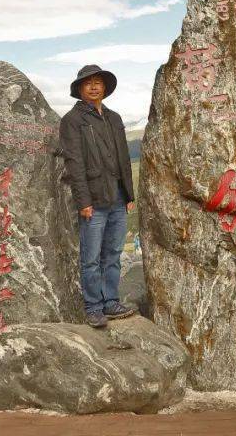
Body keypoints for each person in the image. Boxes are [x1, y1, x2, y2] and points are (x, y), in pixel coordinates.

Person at [58, 64, 137, 328]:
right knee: (90, 257)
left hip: (117, 196)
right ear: (80, 89)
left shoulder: (114, 118)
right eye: (88, 83)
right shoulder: (72, 121)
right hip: (93, 199)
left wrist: (129, 194)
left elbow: (123, 158)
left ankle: (111, 301)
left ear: (104, 88)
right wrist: (84, 202)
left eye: (98, 82)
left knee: (113, 253)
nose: (94, 87)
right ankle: (93, 307)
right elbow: (74, 163)